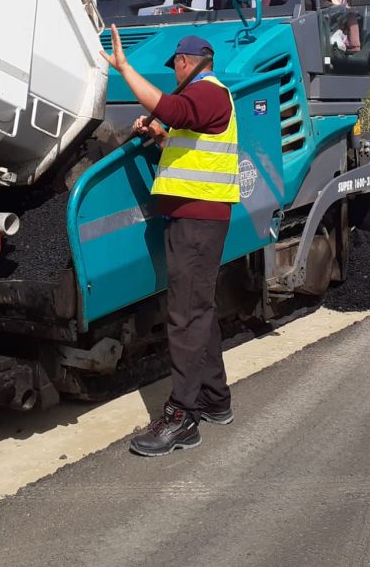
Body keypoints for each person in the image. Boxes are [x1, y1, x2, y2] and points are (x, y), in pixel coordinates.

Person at [101, 28, 239, 456]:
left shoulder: (208, 92)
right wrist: (162, 138)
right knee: (198, 310)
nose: (175, 72)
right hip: (194, 218)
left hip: (198, 221)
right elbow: (190, 144)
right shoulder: (206, 99)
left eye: (176, 66)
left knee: (185, 316)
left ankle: (182, 417)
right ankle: (214, 399)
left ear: (186, 62)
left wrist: (125, 69)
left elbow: (170, 107)